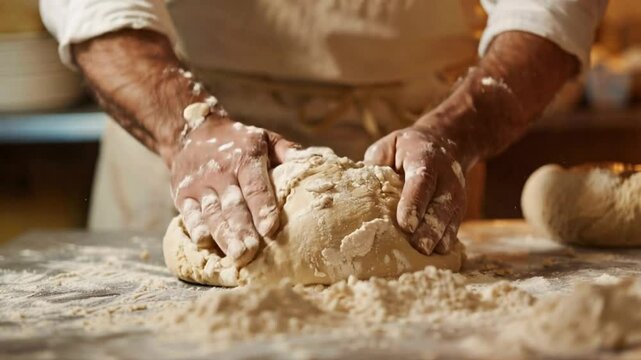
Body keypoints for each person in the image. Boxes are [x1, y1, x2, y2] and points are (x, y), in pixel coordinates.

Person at [40, 0, 607, 266]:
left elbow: (550, 8)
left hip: (419, 140)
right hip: (187, 145)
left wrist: (455, 130)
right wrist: (187, 128)